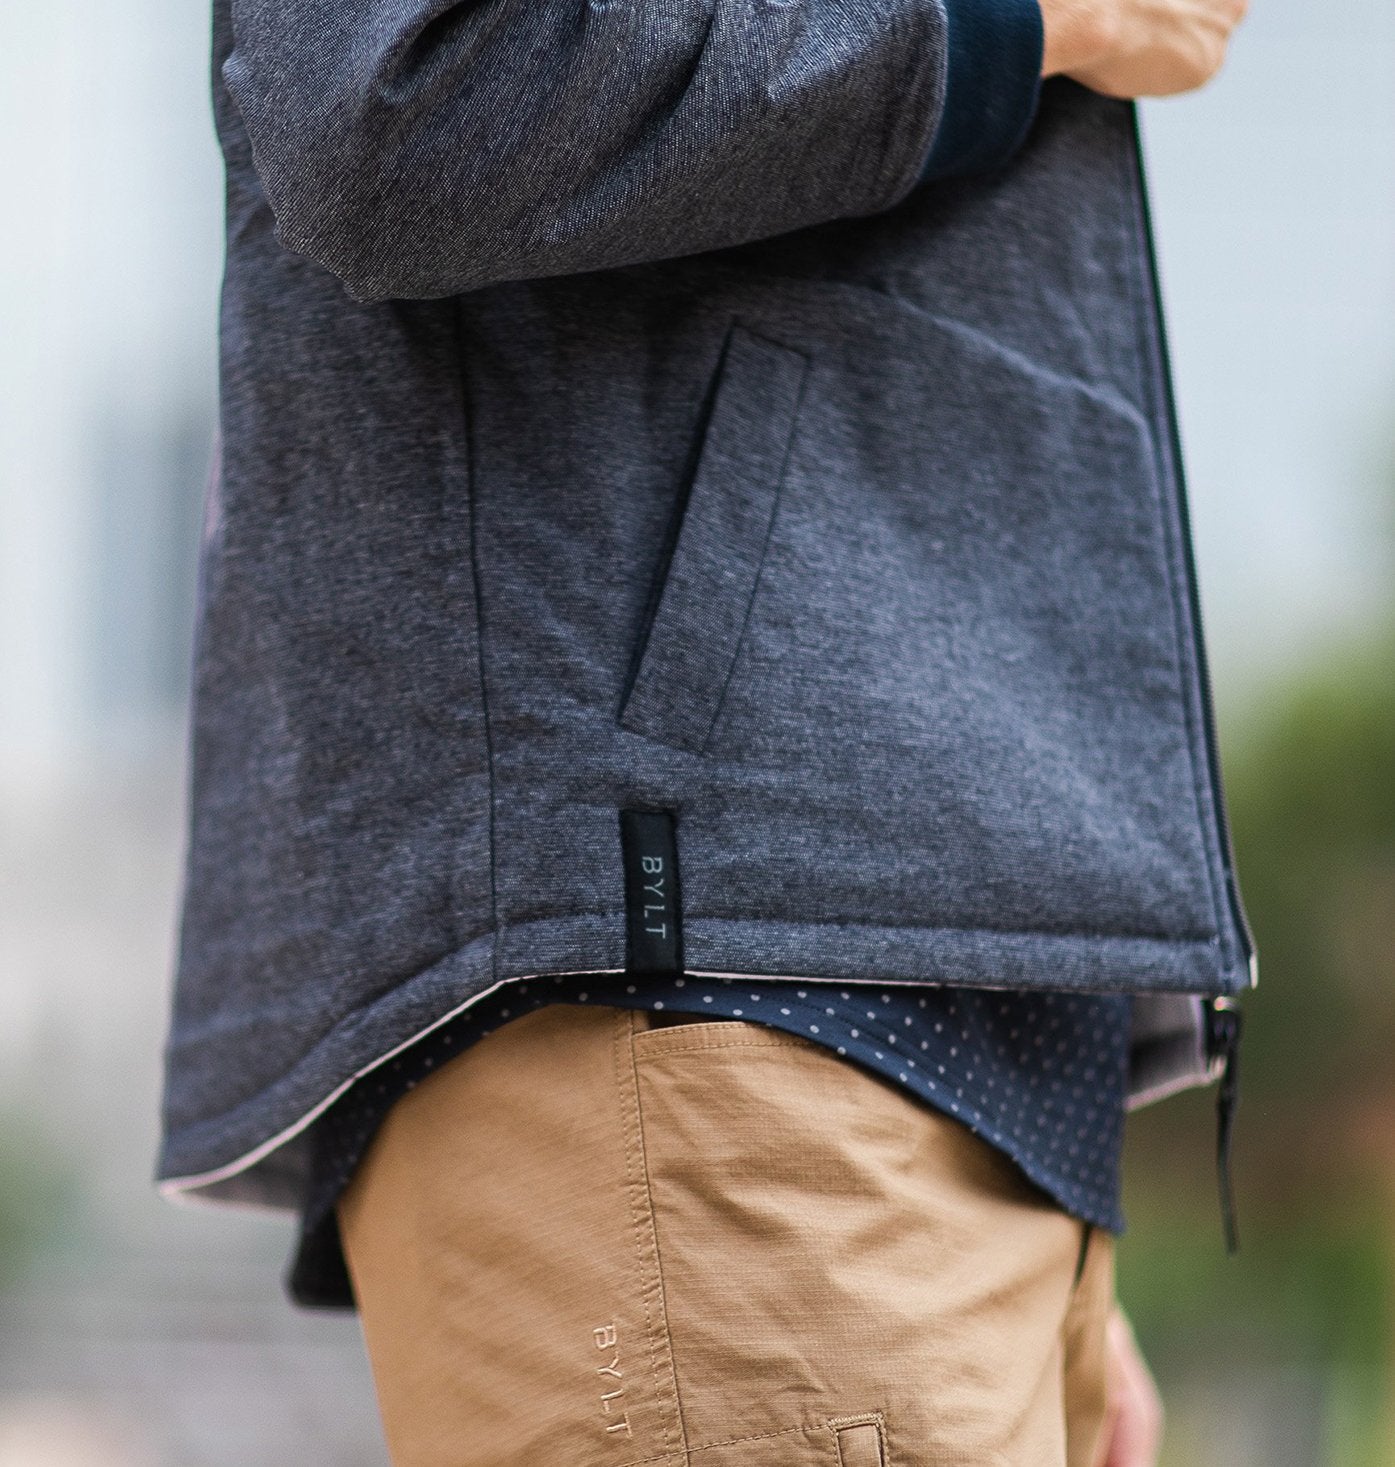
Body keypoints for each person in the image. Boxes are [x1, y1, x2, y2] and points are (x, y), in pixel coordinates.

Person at [157, 0, 1256, 1460]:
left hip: (885, 1089)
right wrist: (1026, 17)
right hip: (707, 1028)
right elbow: (399, 104)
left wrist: (1040, 1201)